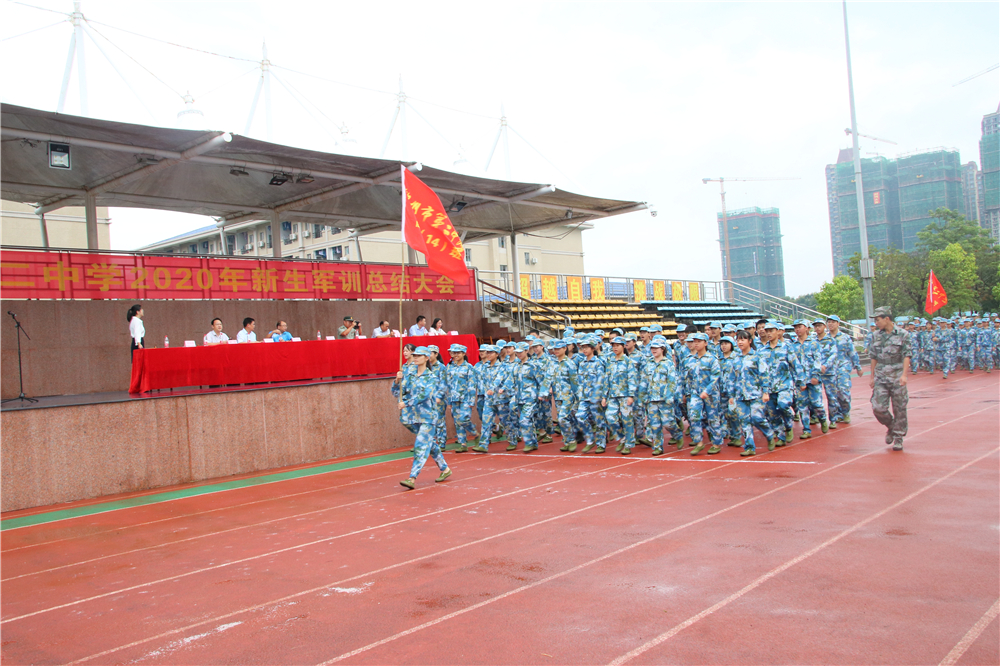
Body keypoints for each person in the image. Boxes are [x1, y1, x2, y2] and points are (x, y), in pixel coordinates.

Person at [397, 346, 452, 489]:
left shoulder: (431, 377)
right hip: (414, 417)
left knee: (420, 445)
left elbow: (424, 396)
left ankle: (412, 477)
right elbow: (398, 391)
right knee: (429, 443)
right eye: (414, 355)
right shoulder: (410, 374)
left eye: (419, 356)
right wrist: (397, 381)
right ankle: (445, 469)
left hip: (428, 417)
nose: (415, 358)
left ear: (426, 358)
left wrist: (406, 403)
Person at [869, 307, 910, 451]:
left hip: (897, 374)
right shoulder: (875, 336)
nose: (876, 323)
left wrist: (904, 374)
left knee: (899, 407)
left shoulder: (903, 334)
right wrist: (872, 376)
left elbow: (907, 355)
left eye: (877, 320)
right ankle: (891, 426)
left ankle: (898, 437)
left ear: (887, 318)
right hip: (881, 375)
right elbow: (873, 357)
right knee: (878, 407)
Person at [729, 331, 774, 456]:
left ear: (750, 341)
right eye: (738, 340)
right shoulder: (736, 359)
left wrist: (766, 392)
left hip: (755, 394)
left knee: (757, 417)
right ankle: (749, 446)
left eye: (743, 339)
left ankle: (769, 434)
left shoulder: (757, 357)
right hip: (740, 395)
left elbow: (764, 375)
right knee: (744, 421)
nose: (740, 342)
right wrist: (731, 395)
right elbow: (732, 378)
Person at [683, 332, 723, 455]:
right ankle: (699, 442)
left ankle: (716, 443)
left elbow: (716, 377)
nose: (696, 343)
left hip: (711, 394)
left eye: (699, 341)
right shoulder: (689, 360)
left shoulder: (712, 359)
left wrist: (707, 390)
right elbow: (686, 378)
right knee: (693, 416)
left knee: (713, 418)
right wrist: (685, 392)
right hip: (695, 393)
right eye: (694, 341)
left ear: (705, 343)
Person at [639, 338, 681, 456]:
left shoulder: (668, 363)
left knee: (668, 423)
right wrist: (641, 397)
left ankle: (677, 434)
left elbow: (672, 381)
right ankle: (658, 446)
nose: (654, 350)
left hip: (664, 399)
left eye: (656, 348)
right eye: (652, 348)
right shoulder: (649, 364)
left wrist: (669, 396)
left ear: (662, 349)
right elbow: (644, 381)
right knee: (654, 424)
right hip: (651, 399)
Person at [575, 337, 609, 453]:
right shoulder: (582, 364)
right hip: (584, 397)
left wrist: (602, 396)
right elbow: (579, 381)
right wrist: (579, 395)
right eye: (582, 347)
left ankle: (601, 444)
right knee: (579, 417)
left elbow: (602, 381)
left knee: (599, 421)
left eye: (586, 347)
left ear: (592, 348)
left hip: (595, 397)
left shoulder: (599, 363)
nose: (584, 350)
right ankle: (590, 439)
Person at [605, 336, 638, 454]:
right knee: (610, 418)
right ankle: (621, 437)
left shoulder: (628, 361)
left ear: (623, 346)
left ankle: (629, 443)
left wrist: (631, 395)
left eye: (617, 345)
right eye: (613, 346)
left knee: (627, 419)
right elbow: (607, 379)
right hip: (613, 395)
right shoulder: (610, 361)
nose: (615, 348)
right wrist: (604, 396)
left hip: (625, 395)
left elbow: (632, 379)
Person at [445, 343, 478, 452]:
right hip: (454, 398)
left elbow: (472, 384)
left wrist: (471, 401)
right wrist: (448, 401)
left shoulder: (469, 367)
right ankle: (463, 444)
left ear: (463, 353)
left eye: (458, 353)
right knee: (457, 421)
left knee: (464, 419)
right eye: (454, 353)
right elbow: (448, 385)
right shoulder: (449, 366)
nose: (455, 355)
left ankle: (476, 433)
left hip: (465, 398)